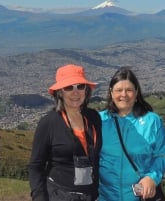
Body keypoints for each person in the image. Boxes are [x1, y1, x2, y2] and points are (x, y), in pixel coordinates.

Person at [28, 64, 102, 201]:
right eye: (69, 87)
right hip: (60, 194)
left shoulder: (93, 117)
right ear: (60, 92)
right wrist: (39, 197)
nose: (76, 92)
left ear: (86, 90)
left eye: (80, 86)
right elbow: (35, 166)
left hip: (91, 194)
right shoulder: (48, 123)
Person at [98, 67, 165, 201]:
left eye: (129, 90)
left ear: (136, 93)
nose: (124, 94)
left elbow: (163, 154)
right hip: (105, 196)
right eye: (119, 90)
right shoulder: (99, 121)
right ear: (111, 92)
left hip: (141, 196)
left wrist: (152, 177)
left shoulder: (152, 121)